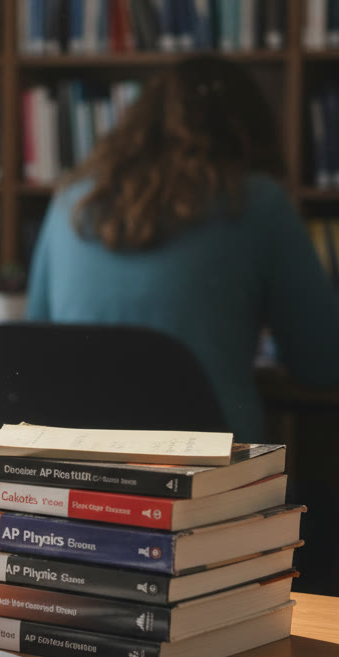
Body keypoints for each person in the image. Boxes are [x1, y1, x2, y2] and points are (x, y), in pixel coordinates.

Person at [25, 55, 339, 443]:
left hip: (78, 469)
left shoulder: (70, 201)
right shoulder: (257, 201)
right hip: (207, 472)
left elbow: (33, 343)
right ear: (249, 129)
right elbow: (323, 364)